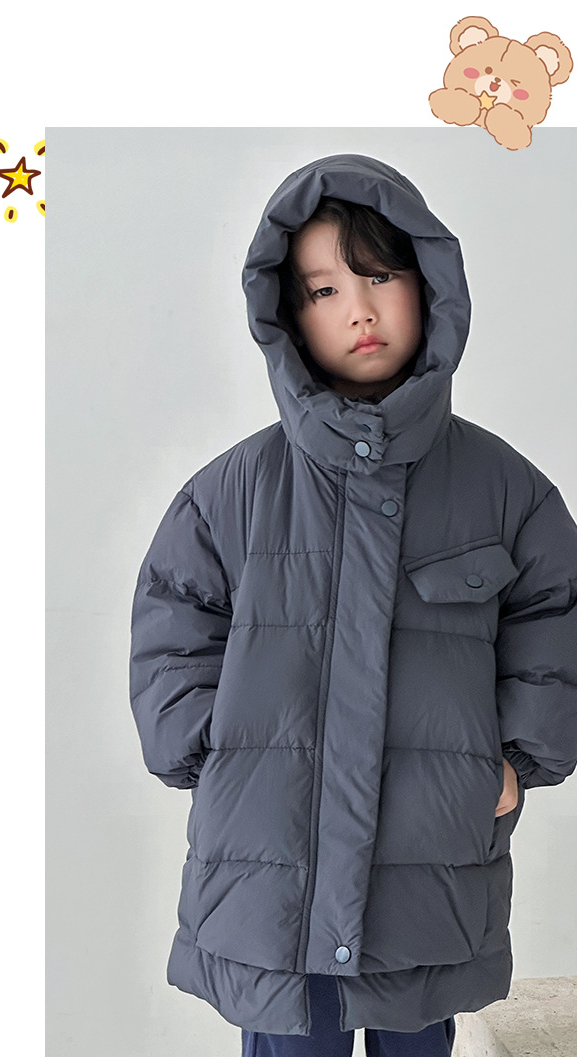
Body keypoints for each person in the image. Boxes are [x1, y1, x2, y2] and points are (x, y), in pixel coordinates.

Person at [128, 154, 577, 1056]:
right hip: (274, 872)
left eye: (380, 276)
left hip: (429, 862)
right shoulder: (231, 493)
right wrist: (214, 752)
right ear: (287, 315)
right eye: (325, 289)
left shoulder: (506, 491)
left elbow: (555, 624)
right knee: (291, 1039)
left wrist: (516, 759)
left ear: (431, 286)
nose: (360, 310)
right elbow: (173, 629)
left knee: (418, 1034)